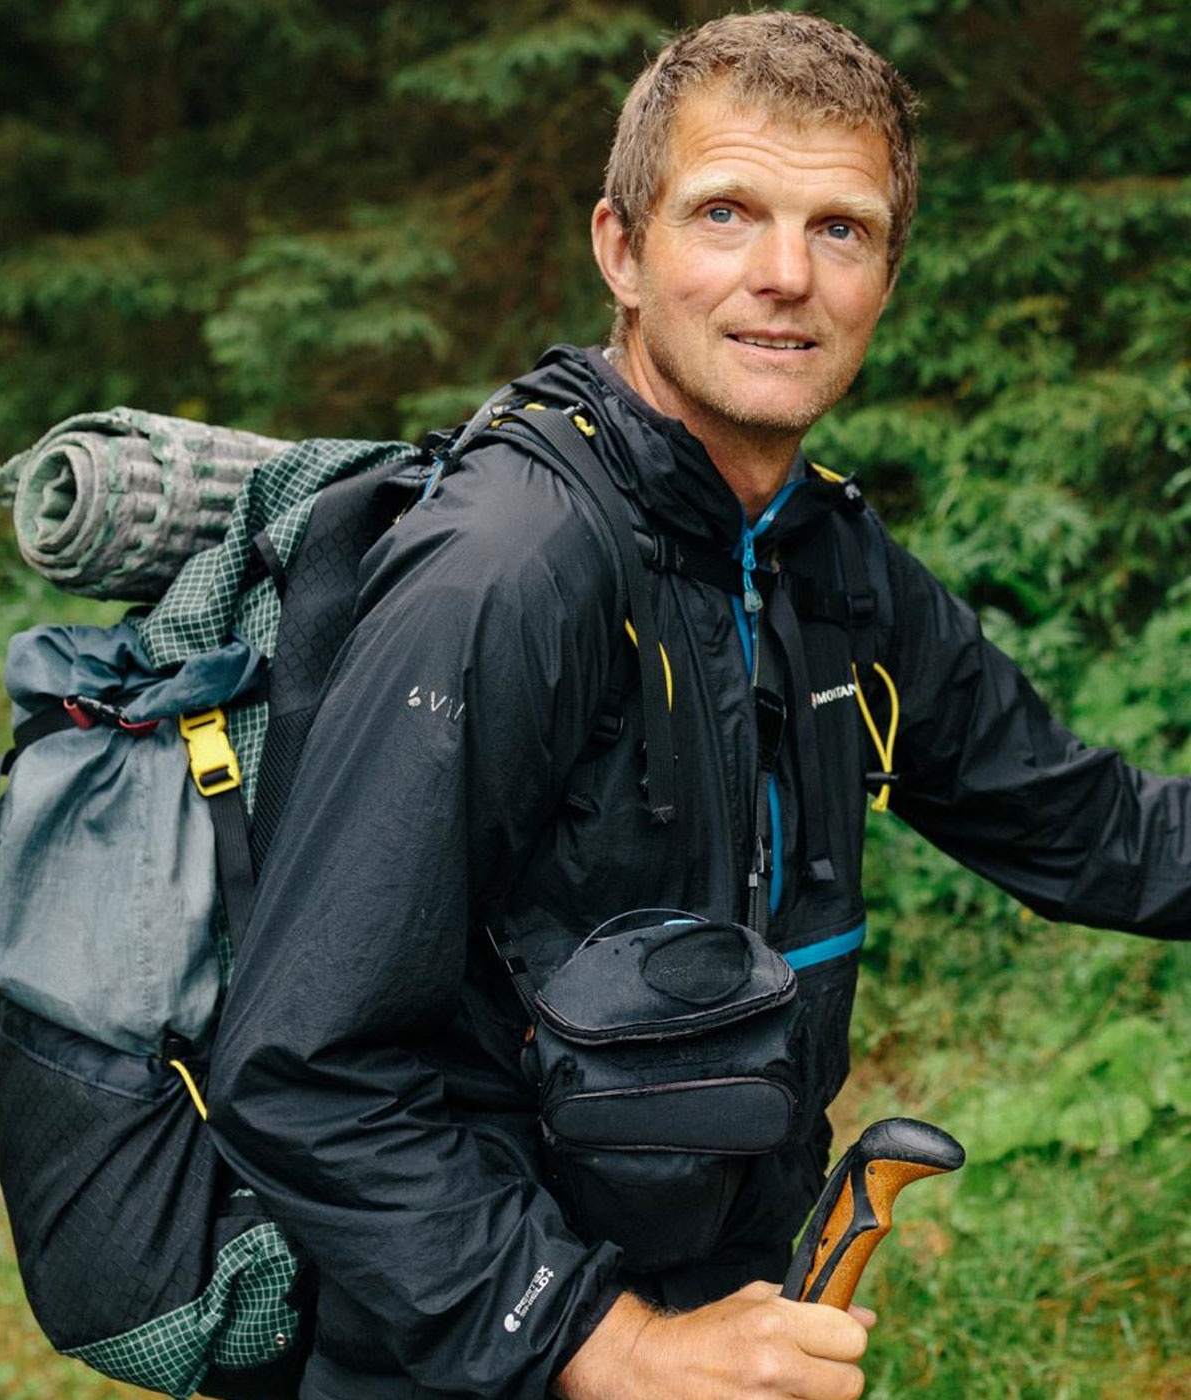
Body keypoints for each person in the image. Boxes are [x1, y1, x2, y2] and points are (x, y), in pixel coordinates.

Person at [206, 11, 1191, 1399]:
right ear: (622, 248)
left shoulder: (827, 563)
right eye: (727, 212)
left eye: (840, 230)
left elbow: (1103, 834)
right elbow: (301, 1066)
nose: (785, 275)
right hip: (474, 1346)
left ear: (888, 276)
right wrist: (614, 1347)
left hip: (729, 1309)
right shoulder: (507, 575)